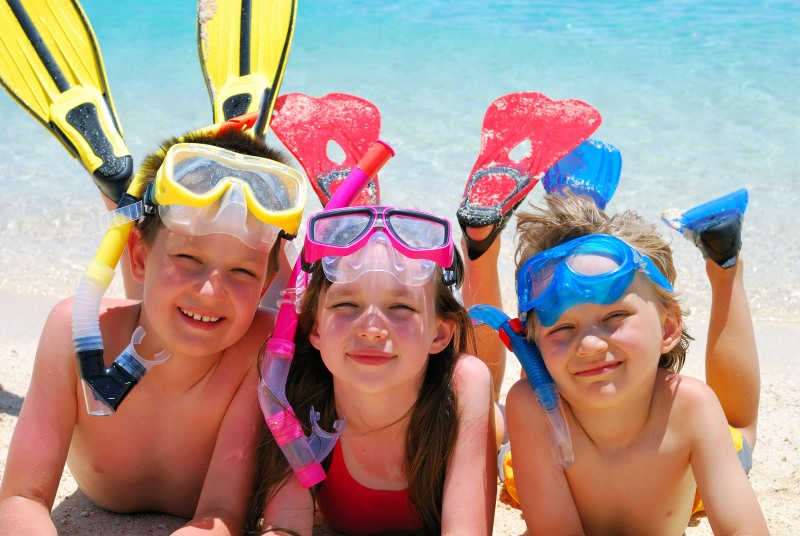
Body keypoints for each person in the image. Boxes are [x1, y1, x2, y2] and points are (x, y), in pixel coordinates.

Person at [0, 127, 306, 534]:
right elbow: (21, 498)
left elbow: (221, 515)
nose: (212, 289)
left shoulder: (262, 350)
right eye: (188, 256)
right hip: (142, 309)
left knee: (283, 317)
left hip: (221, 321)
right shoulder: (75, 331)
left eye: (242, 271)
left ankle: (232, 137)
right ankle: (117, 189)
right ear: (138, 258)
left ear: (265, 284)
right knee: (160, 311)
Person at [503, 191, 768, 534]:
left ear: (668, 328)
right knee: (502, 452)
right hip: (535, 457)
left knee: (739, 432)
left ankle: (724, 262)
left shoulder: (689, 409)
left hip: (691, 480)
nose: (589, 344)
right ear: (534, 350)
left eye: (614, 316)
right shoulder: (532, 408)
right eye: (563, 327)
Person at [246, 206, 497, 535]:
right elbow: (284, 526)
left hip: (472, 415)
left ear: (439, 333)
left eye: (401, 306)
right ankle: (358, 217)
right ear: (315, 328)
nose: (371, 329)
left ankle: (483, 250)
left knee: (484, 379)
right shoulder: (298, 392)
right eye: (346, 304)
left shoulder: (464, 385)